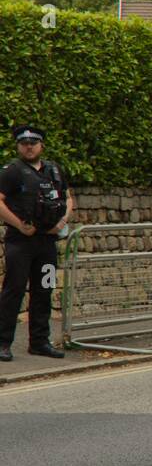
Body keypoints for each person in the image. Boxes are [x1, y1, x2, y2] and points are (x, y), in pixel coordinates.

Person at [0, 125, 72, 361]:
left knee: (45, 289)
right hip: (20, 242)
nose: (28, 147)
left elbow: (69, 199)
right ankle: (3, 344)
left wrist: (61, 222)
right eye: (24, 143)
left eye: (33, 143)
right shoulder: (12, 171)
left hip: (47, 243)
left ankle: (40, 342)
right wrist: (19, 224)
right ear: (18, 146)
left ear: (42, 145)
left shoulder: (55, 170)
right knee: (14, 290)